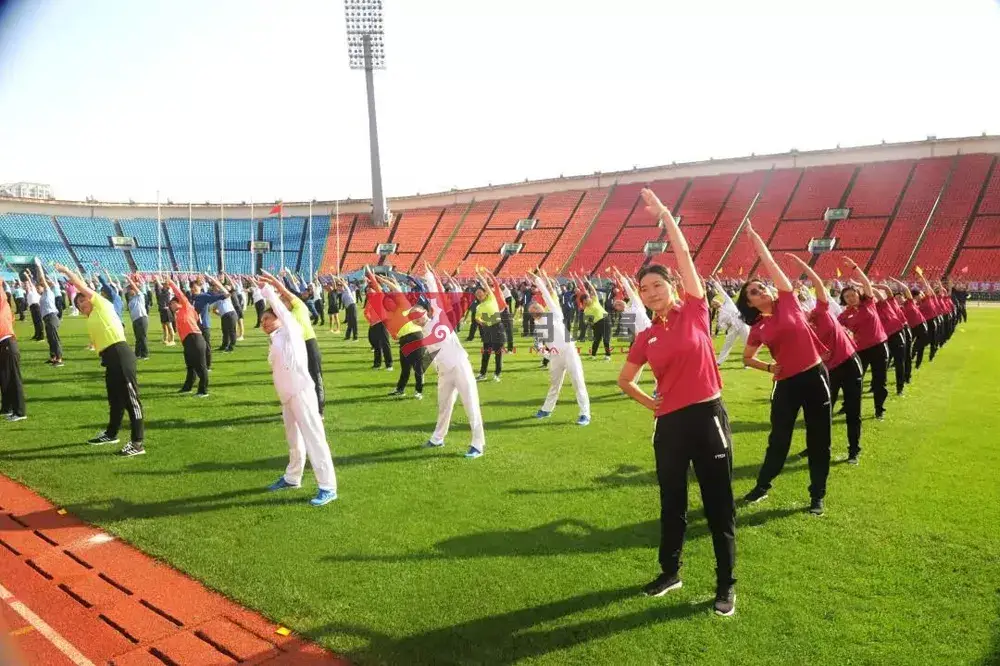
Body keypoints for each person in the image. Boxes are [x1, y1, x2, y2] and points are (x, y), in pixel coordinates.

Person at [617, 188, 735, 617]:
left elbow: (683, 254)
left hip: (707, 417)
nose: (651, 292)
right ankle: (670, 572)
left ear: (672, 286)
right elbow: (625, 380)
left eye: (657, 285)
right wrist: (651, 404)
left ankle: (726, 585)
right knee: (672, 503)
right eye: (644, 288)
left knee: (719, 505)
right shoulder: (645, 336)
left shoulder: (695, 311)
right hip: (668, 425)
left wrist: (666, 215)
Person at [736, 223, 830, 515]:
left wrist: (755, 238)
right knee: (779, 439)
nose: (760, 290)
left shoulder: (787, 300)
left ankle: (817, 495)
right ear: (750, 303)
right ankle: (762, 486)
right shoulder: (758, 328)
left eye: (761, 286)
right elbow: (747, 358)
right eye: (753, 292)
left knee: (819, 439)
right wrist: (768, 366)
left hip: (814, 376)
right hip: (786, 384)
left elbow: (771, 264)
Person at [258, 281, 338, 506]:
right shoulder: (276, 338)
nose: (264, 323)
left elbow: (284, 311)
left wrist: (269, 292)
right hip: (287, 396)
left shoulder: (291, 330)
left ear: (279, 318)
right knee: (294, 440)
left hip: (302, 392)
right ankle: (292, 478)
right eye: (262, 321)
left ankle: (328, 487)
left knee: (314, 438)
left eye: (267, 318)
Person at [54, 263, 145, 457]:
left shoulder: (102, 305)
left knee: (131, 400)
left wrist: (67, 272)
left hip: (120, 353)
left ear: (91, 298)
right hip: (110, 359)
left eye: (83, 300)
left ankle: (137, 443)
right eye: (78, 304)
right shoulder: (90, 318)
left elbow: (81, 286)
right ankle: (111, 434)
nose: (81, 304)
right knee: (115, 399)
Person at [785, 255, 863, 464]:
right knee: (822, 411)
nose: (800, 311)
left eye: (800, 307)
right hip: (829, 370)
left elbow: (819, 284)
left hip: (849, 362)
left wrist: (803, 266)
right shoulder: (802, 330)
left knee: (853, 409)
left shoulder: (821, 310)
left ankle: (854, 449)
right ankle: (814, 447)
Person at [421, 263, 486, 458]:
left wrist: (429, 275)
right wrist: (432, 369)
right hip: (444, 372)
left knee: (471, 404)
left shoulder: (439, 317)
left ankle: (477, 444)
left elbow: (434, 293)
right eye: (414, 317)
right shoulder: (423, 333)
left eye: (419, 313)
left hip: (460, 366)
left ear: (427, 312)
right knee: (444, 406)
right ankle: (438, 438)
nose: (418, 317)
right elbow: (431, 353)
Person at [531, 268, 591, 426]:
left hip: (569, 351)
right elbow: (539, 344)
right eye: (532, 310)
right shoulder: (537, 325)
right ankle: (547, 409)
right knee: (554, 384)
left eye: (536, 307)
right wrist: (547, 354)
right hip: (555, 356)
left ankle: (585, 413)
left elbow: (546, 294)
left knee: (578, 381)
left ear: (542, 307)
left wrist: (538, 280)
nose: (535, 309)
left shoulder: (554, 313)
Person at [262, 271, 325, 415]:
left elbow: (284, 291)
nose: (282, 303)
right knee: (295, 379)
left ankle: (319, 410)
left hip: (309, 344)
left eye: (284, 300)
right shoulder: (283, 317)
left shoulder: (299, 307)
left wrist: (274, 281)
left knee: (315, 377)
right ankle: (296, 407)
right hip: (293, 348)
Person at [837, 259, 889, 419]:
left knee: (879, 381)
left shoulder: (869, 303)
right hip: (860, 351)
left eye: (852, 295)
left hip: (879, 346)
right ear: (844, 300)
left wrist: (854, 267)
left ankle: (879, 410)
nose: (850, 298)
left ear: (858, 294)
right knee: (854, 381)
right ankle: (848, 407)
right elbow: (834, 329)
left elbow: (866, 282)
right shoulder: (844, 315)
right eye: (847, 297)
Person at [368, 269, 425, 399]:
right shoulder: (391, 314)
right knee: (405, 367)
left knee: (417, 366)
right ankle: (400, 389)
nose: (388, 303)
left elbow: (396, 288)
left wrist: (383, 280)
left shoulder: (404, 304)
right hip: (404, 339)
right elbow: (381, 292)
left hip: (415, 337)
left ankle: (418, 391)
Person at [166, 278, 210, 397]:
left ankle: (203, 391)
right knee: (190, 366)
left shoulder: (186, 306)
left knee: (201, 366)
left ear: (178, 302)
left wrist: (171, 283)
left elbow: (180, 294)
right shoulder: (179, 314)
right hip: (188, 341)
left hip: (195, 338)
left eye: (171, 303)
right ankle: (187, 387)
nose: (170, 306)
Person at [473, 266, 507, 382]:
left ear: (485, 293)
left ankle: (497, 374)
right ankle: (482, 373)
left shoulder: (491, 298)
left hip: (497, 327)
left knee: (498, 352)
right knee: (486, 352)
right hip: (487, 329)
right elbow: (477, 318)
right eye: (477, 295)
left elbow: (485, 284)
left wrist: (479, 275)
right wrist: (481, 322)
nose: (479, 295)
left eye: (480, 293)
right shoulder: (479, 307)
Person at [0, 277, 26, 422]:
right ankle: (8, 408)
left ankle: (20, 412)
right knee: (5, 378)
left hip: (8, 343)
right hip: (4, 344)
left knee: (14, 379)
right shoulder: (5, 310)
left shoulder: (3, 304)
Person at [709, 276, 749, 366]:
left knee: (747, 343)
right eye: (713, 305)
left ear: (718, 301)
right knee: (727, 345)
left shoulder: (728, 302)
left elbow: (722, 291)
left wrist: (714, 282)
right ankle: (718, 362)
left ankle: (748, 362)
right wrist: (726, 325)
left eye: (715, 302)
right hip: (732, 328)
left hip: (741, 323)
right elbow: (721, 326)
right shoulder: (720, 315)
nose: (715, 304)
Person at [34, 262, 64, 366]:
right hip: (47, 319)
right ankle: (53, 357)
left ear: (44, 286)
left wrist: (39, 266)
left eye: (38, 288)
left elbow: (42, 278)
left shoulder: (49, 292)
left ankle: (59, 359)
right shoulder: (43, 295)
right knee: (50, 339)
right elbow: (40, 280)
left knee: (54, 339)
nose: (37, 289)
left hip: (52, 317)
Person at [576, 274, 611, 360]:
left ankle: (608, 355)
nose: (587, 299)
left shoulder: (595, 300)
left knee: (606, 339)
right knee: (596, 340)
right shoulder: (586, 310)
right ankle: (593, 355)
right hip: (596, 324)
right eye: (585, 300)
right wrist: (592, 326)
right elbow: (589, 321)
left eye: (587, 298)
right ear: (583, 302)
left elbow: (593, 290)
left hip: (605, 320)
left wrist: (587, 281)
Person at [125, 275, 150, 360]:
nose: (129, 291)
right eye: (129, 290)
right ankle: (137, 354)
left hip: (142, 318)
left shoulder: (140, 296)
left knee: (142, 337)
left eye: (130, 289)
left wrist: (129, 279)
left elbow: (135, 287)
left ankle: (145, 354)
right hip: (135, 320)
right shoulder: (130, 300)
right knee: (137, 338)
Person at [23, 272, 43, 340]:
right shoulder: (28, 292)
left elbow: (30, 282)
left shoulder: (33, 289)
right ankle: (36, 334)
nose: (26, 286)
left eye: (27, 284)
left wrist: (27, 276)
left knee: (39, 321)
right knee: (35, 321)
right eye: (25, 285)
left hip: (36, 306)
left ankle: (41, 336)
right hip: (32, 307)